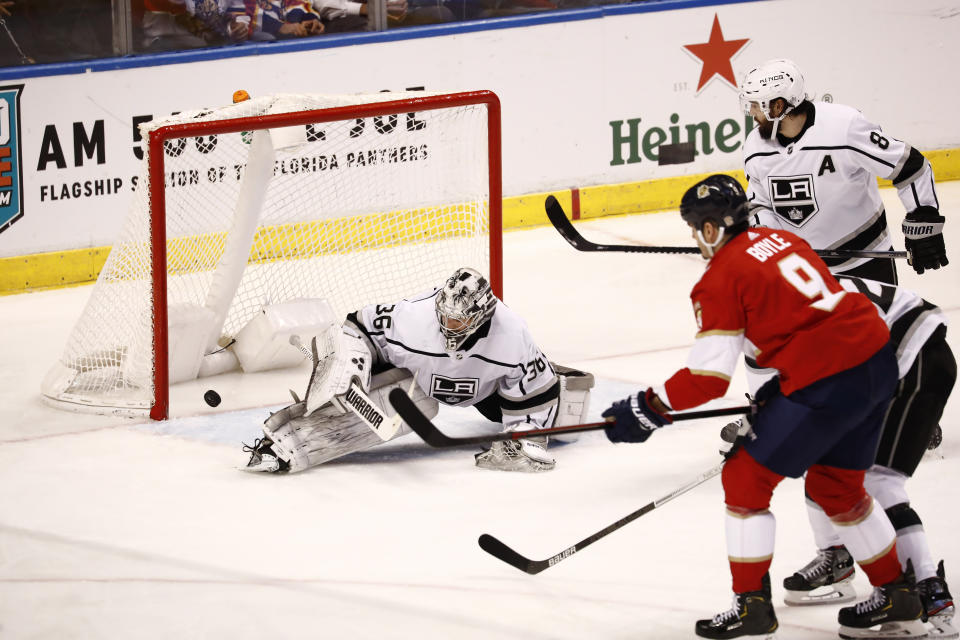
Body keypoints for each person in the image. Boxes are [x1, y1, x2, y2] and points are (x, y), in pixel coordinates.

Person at [601, 174, 925, 639]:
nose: (697, 240)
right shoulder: (782, 240)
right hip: (875, 363)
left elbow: (707, 380)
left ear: (711, 228)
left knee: (744, 478)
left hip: (827, 380)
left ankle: (750, 605)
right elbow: (809, 316)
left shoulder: (718, 280)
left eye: (696, 229)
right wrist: (782, 384)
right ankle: (898, 592)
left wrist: (647, 407)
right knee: (837, 486)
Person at [733, 275, 956, 637]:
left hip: (911, 358)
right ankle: (837, 557)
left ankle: (928, 594)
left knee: (878, 479)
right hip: (897, 356)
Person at [242, 267, 593, 474]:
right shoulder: (410, 317)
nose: (447, 324)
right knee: (405, 398)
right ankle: (285, 445)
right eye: (444, 315)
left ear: (482, 315)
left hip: (489, 394)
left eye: (457, 320)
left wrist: (523, 438)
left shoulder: (512, 335)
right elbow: (354, 330)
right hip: (422, 376)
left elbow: (536, 389)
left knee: (567, 428)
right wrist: (346, 367)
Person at [738, 58, 947, 285]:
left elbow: (910, 166)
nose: (751, 112)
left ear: (778, 107)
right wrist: (767, 238)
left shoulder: (844, 127)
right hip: (802, 273)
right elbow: (759, 201)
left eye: (756, 104)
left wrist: (924, 221)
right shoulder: (754, 146)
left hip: (866, 265)